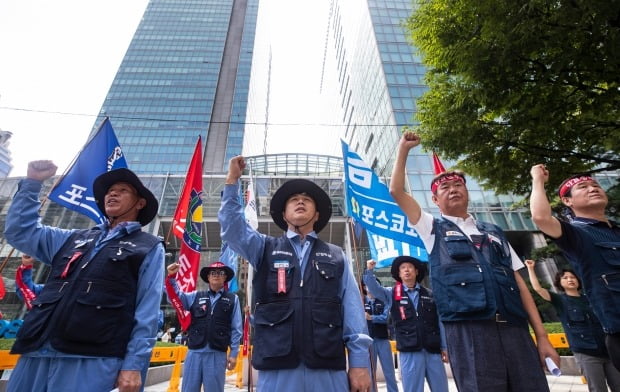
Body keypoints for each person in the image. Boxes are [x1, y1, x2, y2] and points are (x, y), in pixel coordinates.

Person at [389, 132, 559, 392]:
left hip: (516, 331)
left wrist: (542, 337)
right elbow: (396, 191)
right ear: (434, 201)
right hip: (470, 334)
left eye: (458, 185)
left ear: (467, 191)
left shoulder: (494, 231)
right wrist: (403, 149)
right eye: (444, 188)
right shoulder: (431, 227)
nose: (453, 189)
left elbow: (518, 284)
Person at [3, 160, 165, 392]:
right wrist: (32, 183)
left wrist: (134, 365)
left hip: (92, 357)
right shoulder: (71, 238)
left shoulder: (148, 246)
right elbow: (21, 232)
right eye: (109, 191)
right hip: (37, 350)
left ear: (140, 203)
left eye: (122, 190)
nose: (112, 194)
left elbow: (147, 310)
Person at [218, 156, 372, 392]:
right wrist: (232, 181)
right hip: (277, 368)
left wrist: (360, 363)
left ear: (317, 215)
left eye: (307, 200)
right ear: (284, 213)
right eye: (294, 200)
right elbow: (232, 230)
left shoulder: (336, 255)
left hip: (327, 368)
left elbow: (352, 310)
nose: (300, 202)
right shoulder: (263, 248)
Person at [530, 165, 620, 371]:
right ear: (567, 201)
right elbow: (541, 218)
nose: (592, 188)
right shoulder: (576, 234)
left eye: (595, 185)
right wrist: (538, 180)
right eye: (583, 187)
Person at [526, 259, 620, 391]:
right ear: (560, 283)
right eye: (565, 278)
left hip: (608, 350)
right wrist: (530, 269)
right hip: (586, 353)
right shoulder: (559, 300)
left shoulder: (590, 298)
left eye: (573, 277)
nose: (570, 279)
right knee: (598, 389)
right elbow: (538, 289)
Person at [365, 258, 449, 392]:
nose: (407, 270)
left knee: (442, 388)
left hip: (432, 350)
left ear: (416, 272)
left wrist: (444, 347)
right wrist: (369, 271)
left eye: (410, 267)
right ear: (399, 274)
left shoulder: (430, 294)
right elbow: (375, 289)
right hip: (409, 352)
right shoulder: (392, 294)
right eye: (403, 268)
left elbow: (439, 322)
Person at [165, 261, 242, 392]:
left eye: (220, 273)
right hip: (194, 353)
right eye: (213, 273)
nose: (216, 275)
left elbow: (236, 329)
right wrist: (172, 278)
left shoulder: (232, 299)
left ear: (225, 277)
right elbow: (175, 298)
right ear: (208, 277)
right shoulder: (195, 296)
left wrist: (234, 354)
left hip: (217, 354)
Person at [361, 279, 399, 392]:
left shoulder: (384, 301)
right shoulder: (361, 301)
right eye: (367, 286)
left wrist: (371, 318)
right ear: (364, 287)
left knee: (389, 371)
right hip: (368, 340)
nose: (370, 288)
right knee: (371, 371)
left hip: (382, 340)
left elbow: (386, 318)